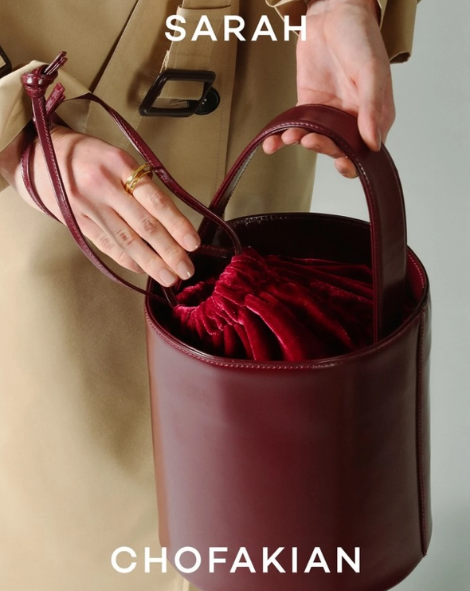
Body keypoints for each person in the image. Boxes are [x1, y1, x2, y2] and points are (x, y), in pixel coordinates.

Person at [0, 1, 419, 589]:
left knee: (268, 500)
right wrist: (16, 134)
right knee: (75, 500)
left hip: (262, 65)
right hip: (59, 130)